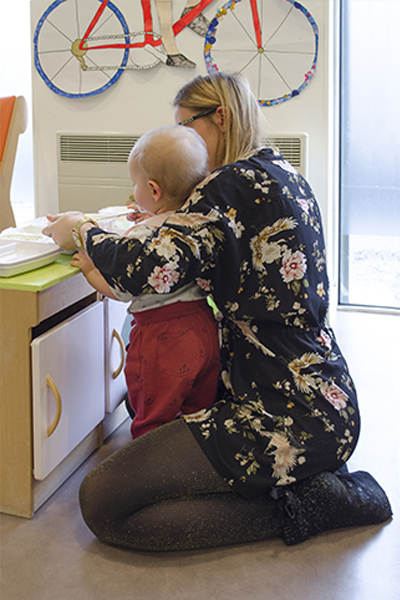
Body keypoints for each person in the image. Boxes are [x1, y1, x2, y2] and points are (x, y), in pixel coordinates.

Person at [43, 73, 392, 552]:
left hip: (279, 413)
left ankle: (316, 502)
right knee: (142, 435)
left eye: (188, 128)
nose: (184, 143)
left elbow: (144, 271)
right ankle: (301, 483)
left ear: (220, 119)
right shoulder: (281, 173)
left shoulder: (229, 184)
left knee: (103, 503)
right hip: (321, 399)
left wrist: (80, 229)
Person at [70, 125, 220, 439]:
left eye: (134, 184)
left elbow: (122, 288)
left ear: (153, 190)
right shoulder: (197, 222)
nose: (133, 191)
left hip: (162, 338)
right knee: (197, 407)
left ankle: (150, 473)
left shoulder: (143, 235)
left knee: (152, 412)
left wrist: (88, 268)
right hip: (203, 328)